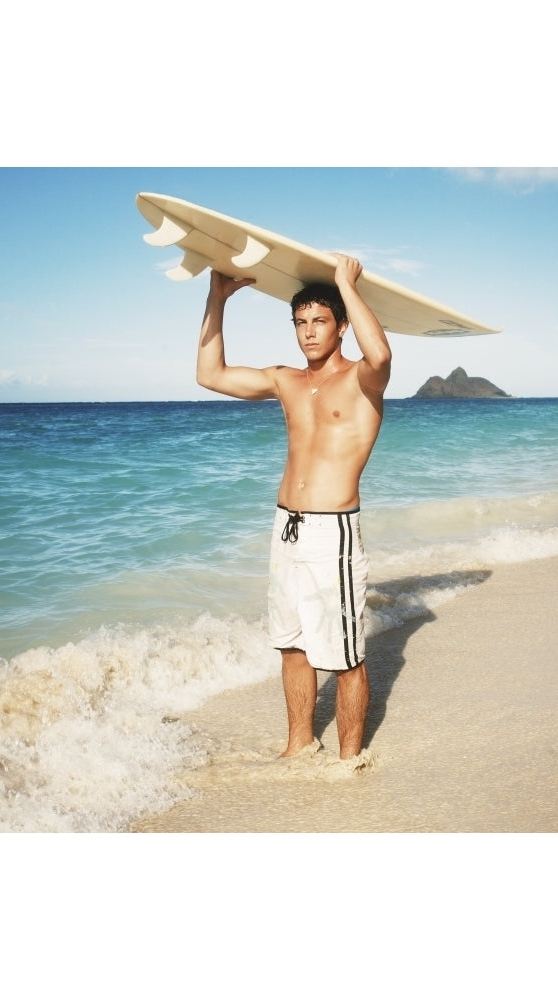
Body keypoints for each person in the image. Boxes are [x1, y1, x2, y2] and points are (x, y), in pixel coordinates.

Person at [196, 254, 392, 760]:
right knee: (292, 643)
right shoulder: (286, 380)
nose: (308, 332)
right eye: (300, 322)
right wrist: (216, 299)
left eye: (319, 321)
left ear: (341, 325)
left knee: (344, 656)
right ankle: (299, 743)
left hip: (334, 533)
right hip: (287, 527)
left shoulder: (361, 382)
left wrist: (346, 285)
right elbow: (210, 375)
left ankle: (350, 760)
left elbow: (383, 357)